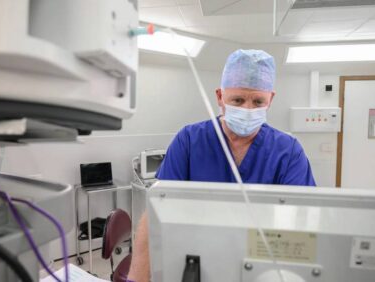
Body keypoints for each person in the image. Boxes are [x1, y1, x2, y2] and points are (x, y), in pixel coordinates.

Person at [126, 49, 315, 282]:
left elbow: (302, 222)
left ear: (270, 100)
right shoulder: (189, 141)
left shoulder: (288, 151)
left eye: (258, 102)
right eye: (237, 100)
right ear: (219, 96)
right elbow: (156, 212)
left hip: (262, 269)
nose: (247, 109)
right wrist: (136, 279)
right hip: (195, 264)